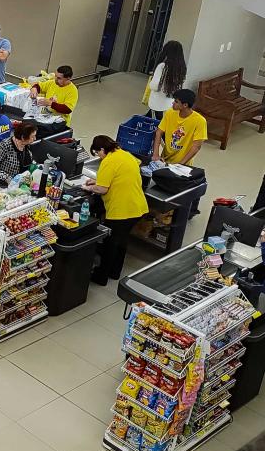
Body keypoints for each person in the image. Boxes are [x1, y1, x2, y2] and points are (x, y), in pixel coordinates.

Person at [83, 135, 149, 286]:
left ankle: (101, 276)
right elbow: (119, 176)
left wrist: (88, 187)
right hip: (137, 206)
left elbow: (102, 189)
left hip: (121, 211)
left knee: (110, 244)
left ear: (102, 149)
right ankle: (115, 272)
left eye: (97, 153)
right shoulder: (126, 155)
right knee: (121, 241)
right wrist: (97, 180)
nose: (99, 157)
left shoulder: (108, 161)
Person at [153, 89, 207, 165]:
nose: (173, 103)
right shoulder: (170, 113)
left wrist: (180, 164)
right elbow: (159, 132)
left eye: (176, 101)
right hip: (164, 159)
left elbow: (196, 146)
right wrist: (156, 154)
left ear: (185, 105)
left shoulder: (200, 121)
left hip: (184, 163)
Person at [0, 122, 37, 188]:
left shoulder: (26, 145)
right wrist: (6, 178)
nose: (35, 139)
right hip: (1, 186)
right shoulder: (5, 146)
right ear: (23, 137)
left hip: (20, 185)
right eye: (32, 136)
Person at [146, 40, 187, 120]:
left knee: (154, 124)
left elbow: (154, 86)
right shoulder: (182, 68)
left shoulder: (163, 66)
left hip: (157, 103)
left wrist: (152, 79)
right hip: (170, 103)